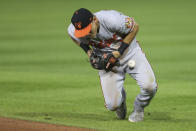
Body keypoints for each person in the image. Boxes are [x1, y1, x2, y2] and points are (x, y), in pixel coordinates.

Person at [67, 8, 157, 122]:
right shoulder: (73, 30)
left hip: (130, 53)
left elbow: (135, 27)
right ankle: (120, 102)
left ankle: (139, 108)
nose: (87, 34)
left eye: (88, 30)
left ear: (94, 20)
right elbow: (75, 38)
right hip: (106, 62)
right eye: (83, 32)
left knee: (150, 87)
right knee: (112, 105)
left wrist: (119, 51)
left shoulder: (112, 19)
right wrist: (89, 53)